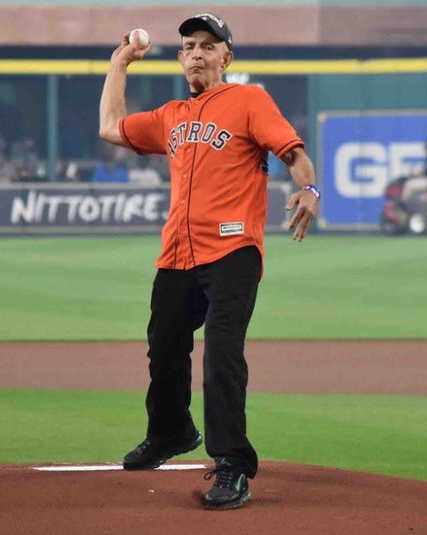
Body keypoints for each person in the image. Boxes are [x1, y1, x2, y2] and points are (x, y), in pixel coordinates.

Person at [98, 12, 319, 510]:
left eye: (207, 44)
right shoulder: (171, 115)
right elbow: (110, 127)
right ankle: (171, 432)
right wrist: (119, 62)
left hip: (233, 250)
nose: (196, 52)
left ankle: (233, 465)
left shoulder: (248, 100)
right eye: (189, 46)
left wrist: (309, 187)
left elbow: (292, 150)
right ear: (180, 59)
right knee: (164, 347)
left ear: (226, 57)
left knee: (221, 354)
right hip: (178, 250)